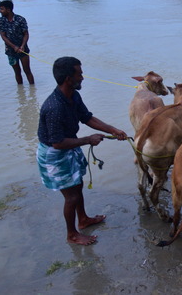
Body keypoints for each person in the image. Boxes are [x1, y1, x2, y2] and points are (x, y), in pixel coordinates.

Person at [37, 56, 128, 245]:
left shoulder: (73, 96)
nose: (83, 78)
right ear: (68, 79)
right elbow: (57, 143)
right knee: (71, 196)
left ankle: (83, 219)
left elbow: (87, 118)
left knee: (77, 186)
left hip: (69, 145)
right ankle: (71, 234)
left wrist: (113, 130)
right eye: (79, 74)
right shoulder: (54, 107)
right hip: (55, 153)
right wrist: (87, 140)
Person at [0, 0, 35, 84]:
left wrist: (22, 46)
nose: (0, 11)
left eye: (2, 9)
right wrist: (14, 47)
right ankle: (21, 92)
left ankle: (33, 91)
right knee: (17, 72)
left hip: (23, 49)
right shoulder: (1, 21)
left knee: (27, 71)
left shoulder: (20, 19)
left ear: (8, 9)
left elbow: (26, 34)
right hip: (10, 51)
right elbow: (3, 36)